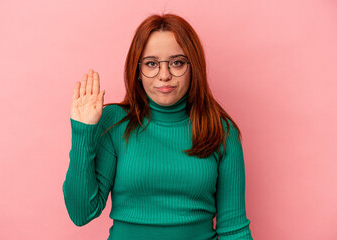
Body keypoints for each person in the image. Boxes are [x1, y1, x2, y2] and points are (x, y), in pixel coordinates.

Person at [62, 13, 253, 240]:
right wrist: (83, 132)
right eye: (152, 64)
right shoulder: (115, 122)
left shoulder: (221, 130)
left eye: (177, 63)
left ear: (194, 68)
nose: (165, 75)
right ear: (138, 71)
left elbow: (234, 230)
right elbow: (81, 212)